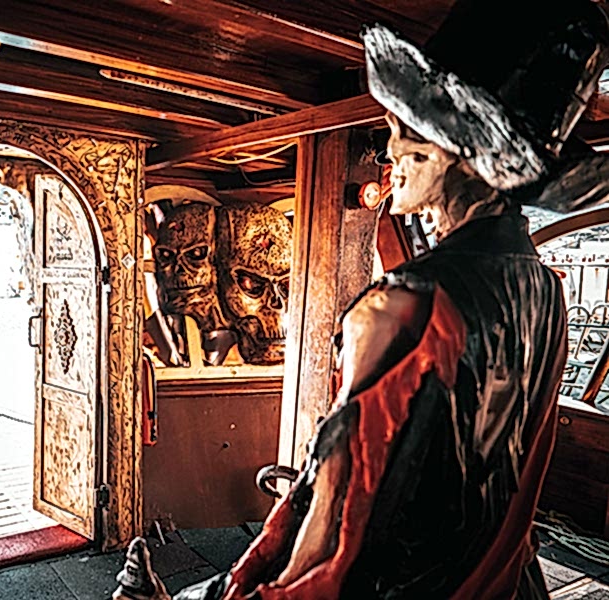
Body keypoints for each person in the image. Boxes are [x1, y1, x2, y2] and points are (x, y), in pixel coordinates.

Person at [113, 1, 609, 598]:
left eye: (406, 130)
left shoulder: (408, 307)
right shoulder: (545, 291)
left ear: (457, 150)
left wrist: (224, 593)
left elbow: (341, 523)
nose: (389, 150)